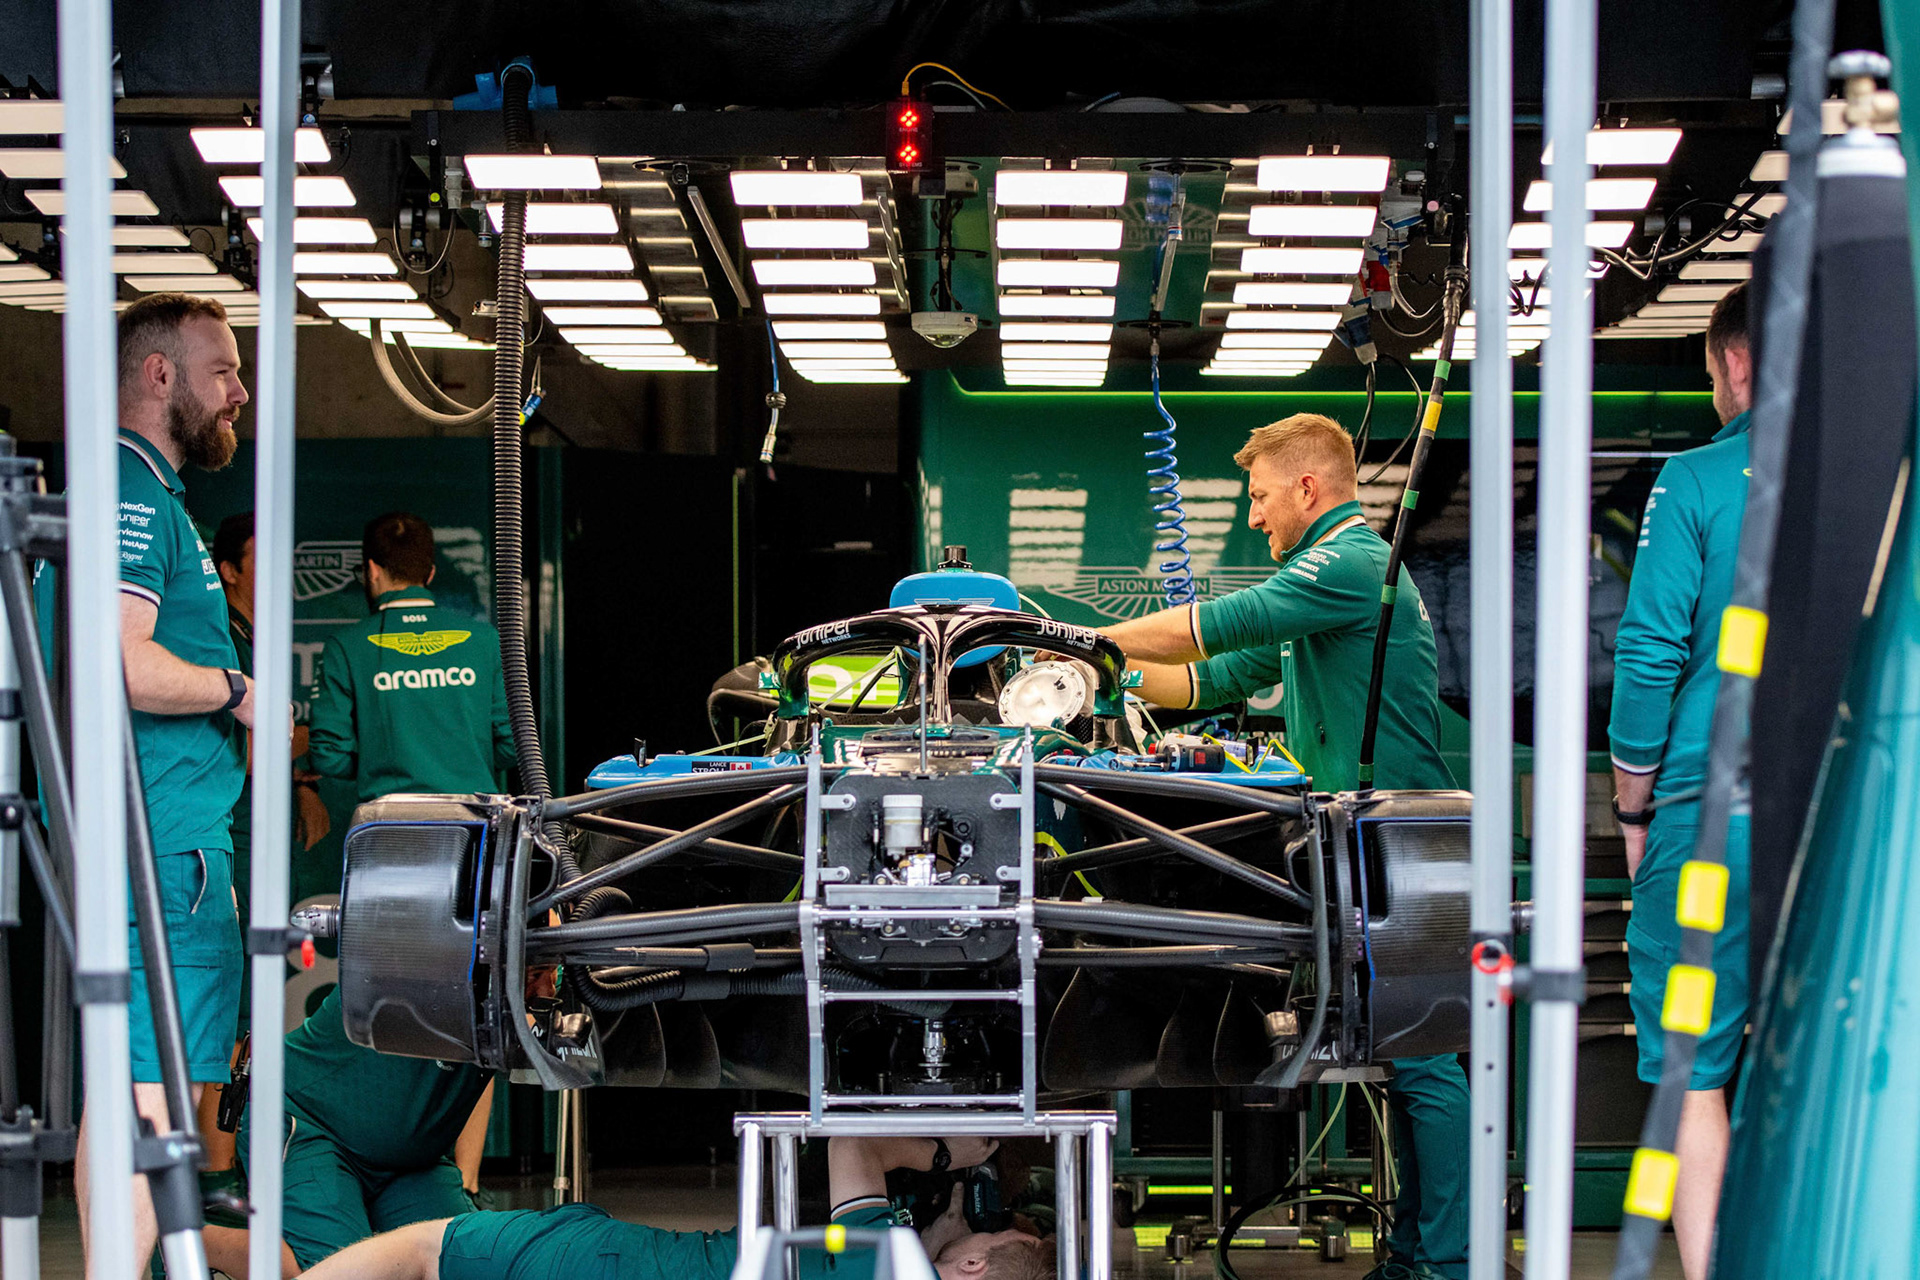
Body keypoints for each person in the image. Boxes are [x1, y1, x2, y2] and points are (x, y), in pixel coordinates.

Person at [1088, 413, 1469, 1280]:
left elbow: (1218, 627)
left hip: (1399, 838)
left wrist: (1086, 639)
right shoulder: (1316, 583)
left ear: (1307, 487)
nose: (1253, 516)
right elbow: (1208, 678)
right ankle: (1414, 1257)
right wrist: (1091, 675)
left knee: (1424, 1064)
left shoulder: (1352, 563)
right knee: (1402, 1062)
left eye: (1259, 497)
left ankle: (1446, 1265)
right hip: (1355, 842)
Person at [59, 292, 255, 1275]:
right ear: (159, 374)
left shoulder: (125, 495)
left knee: (122, 1090)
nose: (241, 391)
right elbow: (121, 660)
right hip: (163, 843)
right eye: (222, 370)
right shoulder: (136, 498)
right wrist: (239, 690)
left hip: (135, 840)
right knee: (150, 1099)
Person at [1608, 283, 1753, 1280]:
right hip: (1869, 814)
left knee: (1695, 1068)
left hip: (1717, 821)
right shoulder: (1890, 475)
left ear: (1736, 363)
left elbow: (1651, 650)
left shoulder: (1696, 479)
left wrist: (1630, 806)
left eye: (1709, 377)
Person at [307, 510, 517, 1193]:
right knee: (477, 1014)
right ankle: (465, 1179)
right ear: (429, 571)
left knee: (385, 1007)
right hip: (476, 847)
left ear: (372, 573)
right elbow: (514, 747)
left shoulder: (348, 648)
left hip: (390, 855)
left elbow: (333, 753)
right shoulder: (483, 643)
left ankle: (388, 1160)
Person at [297, 1135, 1052, 1280]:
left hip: (617, 1266)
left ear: (976, 1265)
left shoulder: (891, 1269)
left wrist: (953, 1153)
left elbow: (852, 1140)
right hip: (625, 1257)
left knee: (430, 1251)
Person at [194, 512, 332, 1192]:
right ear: (229, 569)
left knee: (243, 1008)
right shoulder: (226, 635)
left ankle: (222, 1177)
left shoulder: (254, 636)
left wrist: (303, 776)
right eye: (261, 555)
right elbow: (247, 753)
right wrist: (333, 735)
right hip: (231, 840)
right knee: (235, 1011)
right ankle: (218, 1182)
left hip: (253, 838)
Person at [201, 986, 495, 1279]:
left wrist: (467, 1179)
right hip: (308, 1121)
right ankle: (205, 1242)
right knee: (340, 1271)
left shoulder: (515, 1003)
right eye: (533, 975)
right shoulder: (422, 961)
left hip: (409, 1155)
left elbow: (477, 1063)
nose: (543, 987)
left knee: (465, 1265)